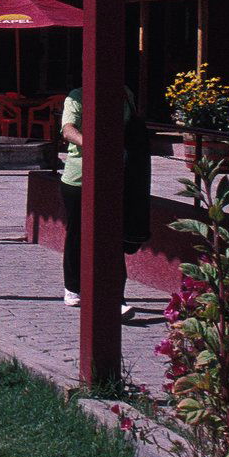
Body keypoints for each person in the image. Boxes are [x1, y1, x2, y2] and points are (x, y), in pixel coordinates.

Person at [58, 83, 153, 317]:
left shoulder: (124, 92)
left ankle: (115, 296)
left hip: (115, 176)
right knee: (78, 233)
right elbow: (68, 130)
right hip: (79, 179)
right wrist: (93, 145)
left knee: (113, 236)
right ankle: (73, 287)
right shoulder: (77, 97)